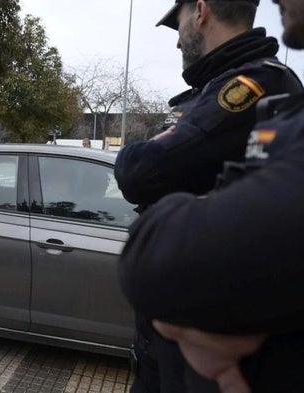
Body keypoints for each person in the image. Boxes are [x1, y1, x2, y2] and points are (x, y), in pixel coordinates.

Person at [113, 1, 303, 392]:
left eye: (179, 24)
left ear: (200, 11)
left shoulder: (254, 83)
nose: (177, 43)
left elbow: (138, 171)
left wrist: (157, 150)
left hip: (203, 365)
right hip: (167, 354)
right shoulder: (209, 89)